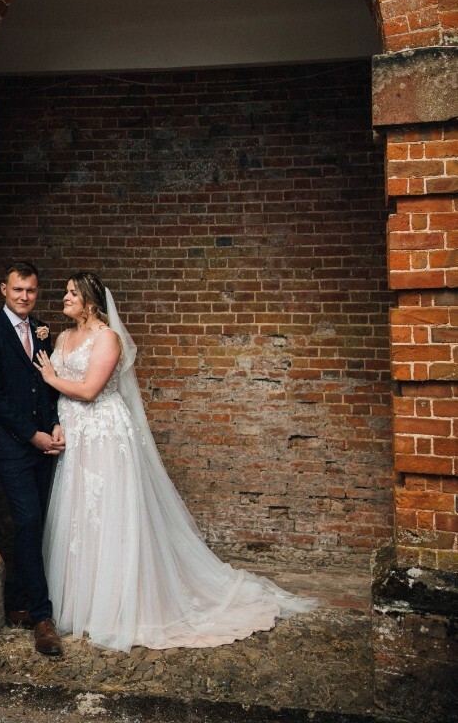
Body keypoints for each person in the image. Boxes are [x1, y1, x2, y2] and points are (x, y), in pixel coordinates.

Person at [34, 271, 316, 652]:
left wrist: (51, 377)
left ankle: (115, 608)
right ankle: (80, 604)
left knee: (107, 513)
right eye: (65, 292)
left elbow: (89, 390)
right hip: (76, 435)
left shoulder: (108, 339)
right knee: (79, 514)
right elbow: (56, 388)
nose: (64, 297)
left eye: (72, 293)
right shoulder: (61, 338)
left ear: (90, 301)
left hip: (104, 434)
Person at [0, 261, 65, 656]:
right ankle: (43, 619)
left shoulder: (42, 331)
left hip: (45, 445)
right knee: (27, 521)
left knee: (38, 524)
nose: (24, 297)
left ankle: (24, 603)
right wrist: (32, 435)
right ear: (3, 290)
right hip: (12, 447)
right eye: (17, 290)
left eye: (30, 290)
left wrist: (55, 423)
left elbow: (47, 386)